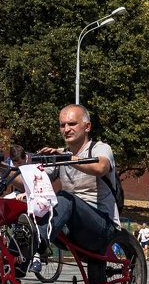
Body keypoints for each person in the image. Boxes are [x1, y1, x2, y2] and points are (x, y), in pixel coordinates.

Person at [39, 104, 121, 253]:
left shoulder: (99, 148)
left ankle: (38, 241)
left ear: (87, 126)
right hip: (72, 228)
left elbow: (100, 168)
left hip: (102, 227)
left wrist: (67, 157)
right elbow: (38, 180)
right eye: (62, 125)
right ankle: (13, 264)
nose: (66, 129)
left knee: (64, 197)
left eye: (72, 124)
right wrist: (5, 170)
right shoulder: (61, 154)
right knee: (31, 203)